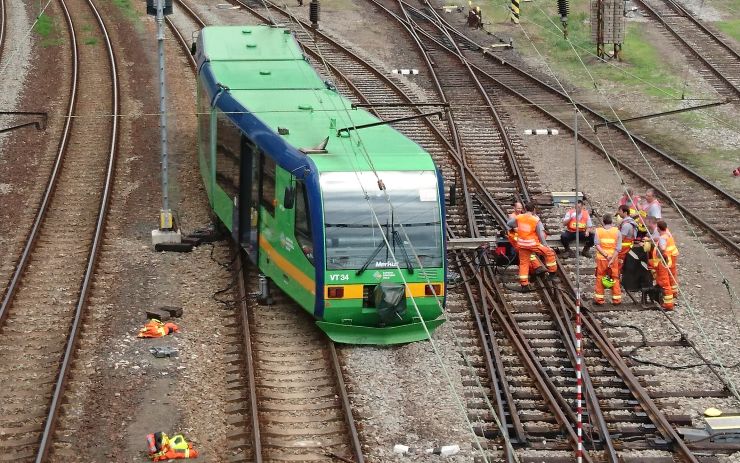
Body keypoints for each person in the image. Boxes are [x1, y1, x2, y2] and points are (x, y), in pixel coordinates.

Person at [506, 202, 557, 292]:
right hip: (532, 244)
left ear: (525, 209)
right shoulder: (535, 219)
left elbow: (509, 224)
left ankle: (524, 284)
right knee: (549, 253)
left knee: (524, 264)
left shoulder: (519, 217)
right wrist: (545, 245)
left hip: (522, 244)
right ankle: (552, 272)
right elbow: (541, 234)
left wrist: (518, 225)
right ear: (533, 209)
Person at [506, 202, 546, 276]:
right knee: (527, 254)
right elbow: (516, 229)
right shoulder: (513, 216)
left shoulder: (523, 216)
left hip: (523, 238)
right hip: (516, 238)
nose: (519, 210)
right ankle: (536, 268)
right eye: (518, 208)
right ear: (514, 208)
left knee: (527, 255)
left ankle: (534, 270)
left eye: (521, 208)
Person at [593, 214, 622, 305]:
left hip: (602, 259)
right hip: (613, 259)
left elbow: (597, 245)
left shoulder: (598, 231)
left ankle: (599, 299)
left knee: (600, 277)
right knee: (615, 277)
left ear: (603, 221)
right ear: (612, 222)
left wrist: (605, 255)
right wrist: (612, 258)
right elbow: (618, 248)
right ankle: (616, 299)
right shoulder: (617, 232)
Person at [646, 239, 674, 311]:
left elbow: (653, 264)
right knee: (666, 291)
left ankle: (668, 305)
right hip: (662, 279)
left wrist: (648, 260)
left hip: (662, 280)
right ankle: (666, 304)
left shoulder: (660, 263)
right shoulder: (663, 261)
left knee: (667, 292)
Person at [657, 220, 679, 295]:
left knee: (665, 279)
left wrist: (658, 251)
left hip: (666, 259)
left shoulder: (662, 238)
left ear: (658, 228)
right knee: (672, 275)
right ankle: (674, 293)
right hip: (673, 256)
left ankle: (668, 300)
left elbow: (663, 248)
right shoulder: (668, 234)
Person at [616, 205, 638, 273]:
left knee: (618, 264)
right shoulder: (630, 222)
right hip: (627, 246)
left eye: (620, 211)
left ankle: (617, 278)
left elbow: (621, 238)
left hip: (624, 248)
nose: (618, 213)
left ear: (625, 213)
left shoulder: (626, 225)